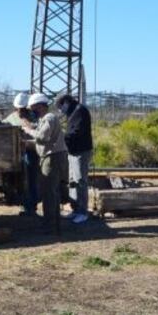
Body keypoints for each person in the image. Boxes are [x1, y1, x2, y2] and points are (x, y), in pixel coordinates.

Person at [22, 93, 69, 234]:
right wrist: (27, 143)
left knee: (49, 192)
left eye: (33, 107)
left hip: (52, 158)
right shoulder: (45, 119)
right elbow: (44, 140)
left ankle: (50, 225)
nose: (32, 110)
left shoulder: (49, 118)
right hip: (51, 156)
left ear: (41, 106)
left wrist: (29, 130)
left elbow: (42, 137)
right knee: (50, 191)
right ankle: (53, 223)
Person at [57, 94, 93, 224]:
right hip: (72, 151)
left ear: (66, 102)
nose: (60, 110)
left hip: (81, 151)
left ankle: (83, 212)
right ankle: (75, 209)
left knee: (80, 181)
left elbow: (77, 132)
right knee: (72, 181)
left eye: (60, 106)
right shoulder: (73, 111)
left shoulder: (80, 111)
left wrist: (62, 137)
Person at [2, 92, 39, 217]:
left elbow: (41, 132)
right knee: (21, 181)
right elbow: (1, 125)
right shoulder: (11, 118)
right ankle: (25, 204)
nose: (21, 111)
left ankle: (31, 206)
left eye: (23, 108)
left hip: (32, 152)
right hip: (16, 154)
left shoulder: (35, 117)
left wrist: (27, 124)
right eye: (19, 108)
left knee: (32, 180)